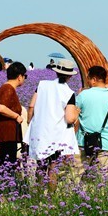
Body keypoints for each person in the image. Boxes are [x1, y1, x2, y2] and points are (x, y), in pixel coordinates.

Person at [27, 60, 83, 193]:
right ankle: (50, 196)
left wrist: (30, 122)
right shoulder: (69, 93)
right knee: (53, 166)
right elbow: (69, 118)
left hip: (40, 132)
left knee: (40, 164)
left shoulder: (42, 85)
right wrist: (76, 112)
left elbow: (31, 106)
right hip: (56, 135)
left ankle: (38, 194)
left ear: (56, 72)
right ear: (70, 76)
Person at [77, 65, 108, 180]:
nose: (87, 81)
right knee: (102, 179)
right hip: (105, 142)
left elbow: (72, 114)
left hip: (83, 142)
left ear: (94, 79)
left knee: (75, 177)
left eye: (88, 78)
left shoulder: (83, 95)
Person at [0, 61, 28, 167]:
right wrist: (16, 116)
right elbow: (1, 107)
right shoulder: (8, 89)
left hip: (7, 133)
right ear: (19, 76)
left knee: (8, 162)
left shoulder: (7, 88)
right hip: (7, 133)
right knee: (9, 163)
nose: (24, 79)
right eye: (24, 76)